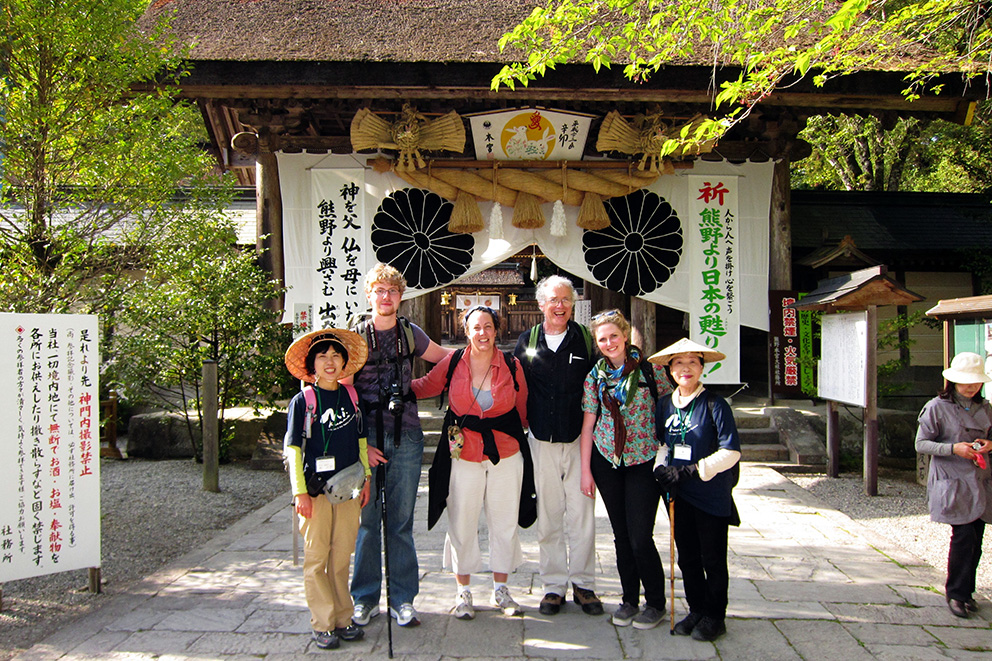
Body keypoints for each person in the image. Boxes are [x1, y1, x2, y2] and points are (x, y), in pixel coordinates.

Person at [348, 263, 451, 628]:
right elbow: (344, 388)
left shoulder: (410, 333)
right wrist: (360, 446)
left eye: (392, 291)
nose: (386, 297)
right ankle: (364, 598)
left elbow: (446, 358)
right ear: (369, 294)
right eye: (379, 290)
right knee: (367, 521)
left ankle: (403, 598)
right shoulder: (356, 337)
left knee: (401, 522)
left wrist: (423, 386)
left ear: (400, 296)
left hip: (406, 434)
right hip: (369, 437)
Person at [413, 305, 531, 620]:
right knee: (461, 520)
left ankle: (501, 589)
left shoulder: (511, 364)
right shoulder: (452, 363)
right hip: (461, 447)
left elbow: (522, 407)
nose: (482, 333)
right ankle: (463, 591)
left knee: (504, 521)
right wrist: (388, 392)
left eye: (488, 327)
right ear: (467, 331)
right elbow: (425, 386)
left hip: (505, 449)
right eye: (476, 327)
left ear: (497, 330)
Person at [513, 275, 602, 616]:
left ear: (574, 303)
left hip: (580, 440)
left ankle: (583, 584)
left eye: (566, 299)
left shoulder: (585, 339)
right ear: (541, 305)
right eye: (553, 300)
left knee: (582, 515)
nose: (560, 305)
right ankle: (552, 586)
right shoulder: (528, 340)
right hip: (541, 442)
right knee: (549, 515)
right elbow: (515, 382)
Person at [579, 309, 673, 630]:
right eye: (602, 339)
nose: (609, 343)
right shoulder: (595, 377)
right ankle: (630, 599)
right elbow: (589, 422)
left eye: (613, 336)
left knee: (640, 537)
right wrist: (585, 470)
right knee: (621, 536)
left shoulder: (650, 371)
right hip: (607, 460)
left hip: (644, 460)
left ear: (625, 335)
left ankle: (656, 602)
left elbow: (670, 409)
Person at [284, 328, 372, 650]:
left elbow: (361, 441)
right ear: (312, 364)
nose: (330, 362)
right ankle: (322, 623)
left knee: (341, 557)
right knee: (317, 558)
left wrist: (366, 479)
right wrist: (299, 492)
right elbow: (293, 449)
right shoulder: (303, 401)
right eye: (323, 356)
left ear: (345, 362)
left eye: (336, 355)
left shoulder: (351, 397)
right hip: (316, 492)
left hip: (348, 488)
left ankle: (342, 618)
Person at [649, 337, 741, 642]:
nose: (685, 368)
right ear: (669, 370)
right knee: (687, 557)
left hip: (710, 493)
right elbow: (662, 444)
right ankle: (696, 609)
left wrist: (692, 470)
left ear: (702, 367)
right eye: (678, 362)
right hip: (678, 494)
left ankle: (716, 615)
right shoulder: (664, 404)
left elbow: (731, 452)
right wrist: (660, 468)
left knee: (712, 558)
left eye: (692, 361)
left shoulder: (715, 404)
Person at [914, 351, 992, 619]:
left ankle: (967, 592)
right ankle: (956, 593)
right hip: (952, 479)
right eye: (966, 381)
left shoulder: (986, 407)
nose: (971, 387)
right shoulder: (936, 407)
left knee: (977, 539)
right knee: (963, 536)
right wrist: (953, 448)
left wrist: (988, 445)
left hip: (980, 479)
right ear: (953, 381)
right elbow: (921, 443)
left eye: (976, 382)